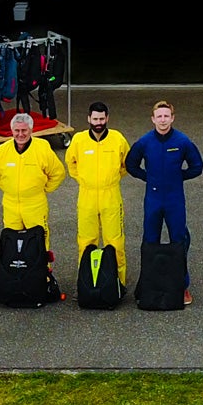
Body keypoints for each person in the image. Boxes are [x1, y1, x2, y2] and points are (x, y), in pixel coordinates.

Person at [124, 99, 203, 305]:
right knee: (150, 240)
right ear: (153, 119)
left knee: (179, 240)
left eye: (166, 116)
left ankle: (182, 286)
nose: (162, 120)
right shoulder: (144, 142)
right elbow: (131, 164)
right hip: (153, 198)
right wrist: (147, 177)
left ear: (172, 118)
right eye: (159, 116)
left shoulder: (182, 141)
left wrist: (178, 177)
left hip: (174, 199)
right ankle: (147, 284)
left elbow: (197, 166)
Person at [66, 101, 131, 284]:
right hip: (86, 196)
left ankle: (119, 282)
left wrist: (111, 179)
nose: (98, 122)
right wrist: (84, 180)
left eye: (102, 118)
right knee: (86, 241)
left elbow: (127, 163)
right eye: (95, 118)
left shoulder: (117, 139)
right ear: (89, 119)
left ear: (107, 118)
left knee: (115, 242)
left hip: (110, 195)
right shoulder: (79, 140)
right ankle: (86, 281)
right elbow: (71, 163)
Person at [0, 112, 66, 243]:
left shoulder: (42, 149)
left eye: (24, 130)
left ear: (31, 130)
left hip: (35, 204)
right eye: (17, 130)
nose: (20, 134)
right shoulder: (3, 150)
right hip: (10, 204)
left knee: (39, 241)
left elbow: (58, 172)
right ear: (12, 130)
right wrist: (9, 188)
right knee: (12, 240)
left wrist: (43, 189)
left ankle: (42, 264)